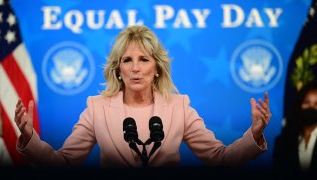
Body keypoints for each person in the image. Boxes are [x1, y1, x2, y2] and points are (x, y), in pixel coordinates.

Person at [14, 25, 271, 168]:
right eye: (127, 60)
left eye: (143, 59)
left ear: (156, 67)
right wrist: (29, 137)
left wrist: (255, 134)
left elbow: (219, 159)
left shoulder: (179, 106)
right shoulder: (97, 107)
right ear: (118, 69)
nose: (135, 68)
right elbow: (65, 163)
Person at [273, 81, 317, 172]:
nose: (311, 107)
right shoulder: (283, 141)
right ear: (300, 105)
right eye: (306, 102)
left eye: (316, 104)